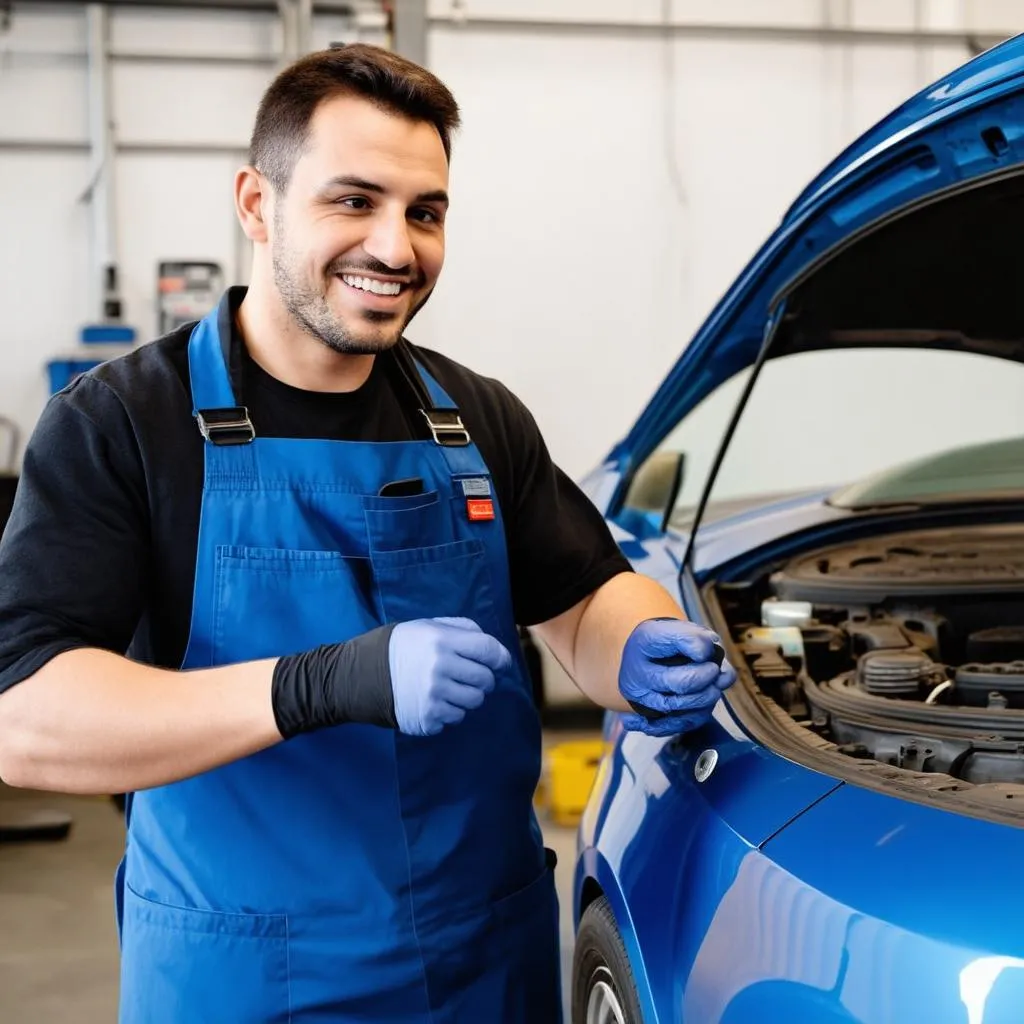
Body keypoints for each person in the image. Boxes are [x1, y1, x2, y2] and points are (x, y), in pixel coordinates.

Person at [0, 44, 735, 1023]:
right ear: (256, 204)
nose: (396, 247)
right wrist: (319, 684)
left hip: (485, 957)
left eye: (425, 212)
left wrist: (638, 640)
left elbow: (584, 597)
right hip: (246, 972)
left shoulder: (475, 417)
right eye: (354, 201)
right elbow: (27, 720)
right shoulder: (126, 423)